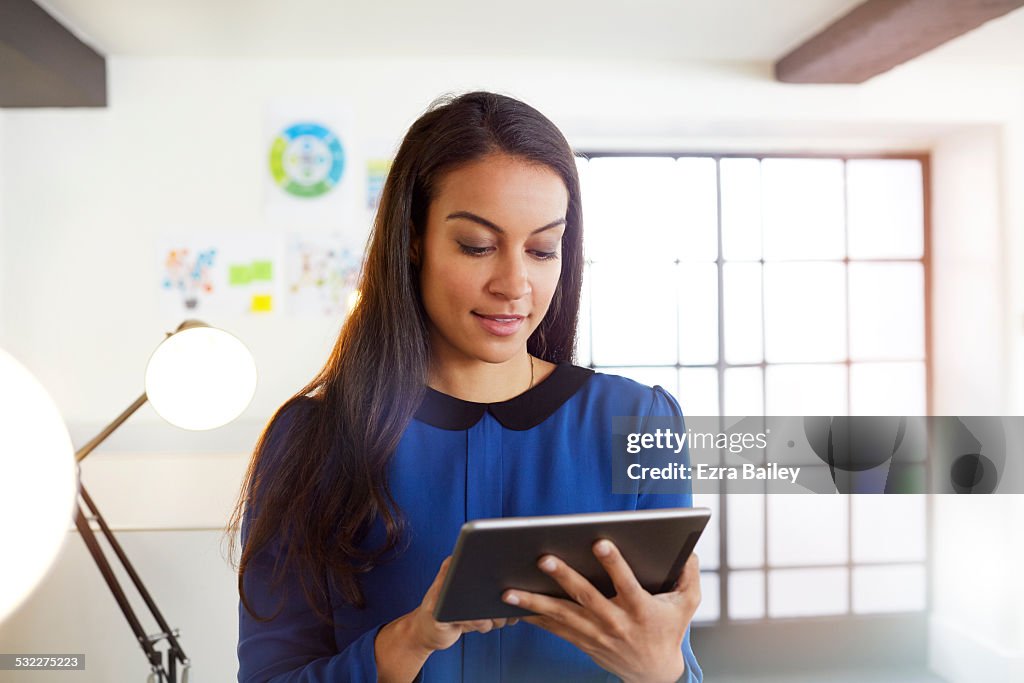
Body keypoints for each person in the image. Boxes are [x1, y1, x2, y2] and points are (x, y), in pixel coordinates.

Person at [229, 91, 703, 683]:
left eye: (542, 249)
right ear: (411, 241)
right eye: (477, 246)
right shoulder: (313, 440)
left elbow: (672, 654)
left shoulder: (639, 420)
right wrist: (408, 640)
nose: (514, 283)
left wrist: (662, 671)